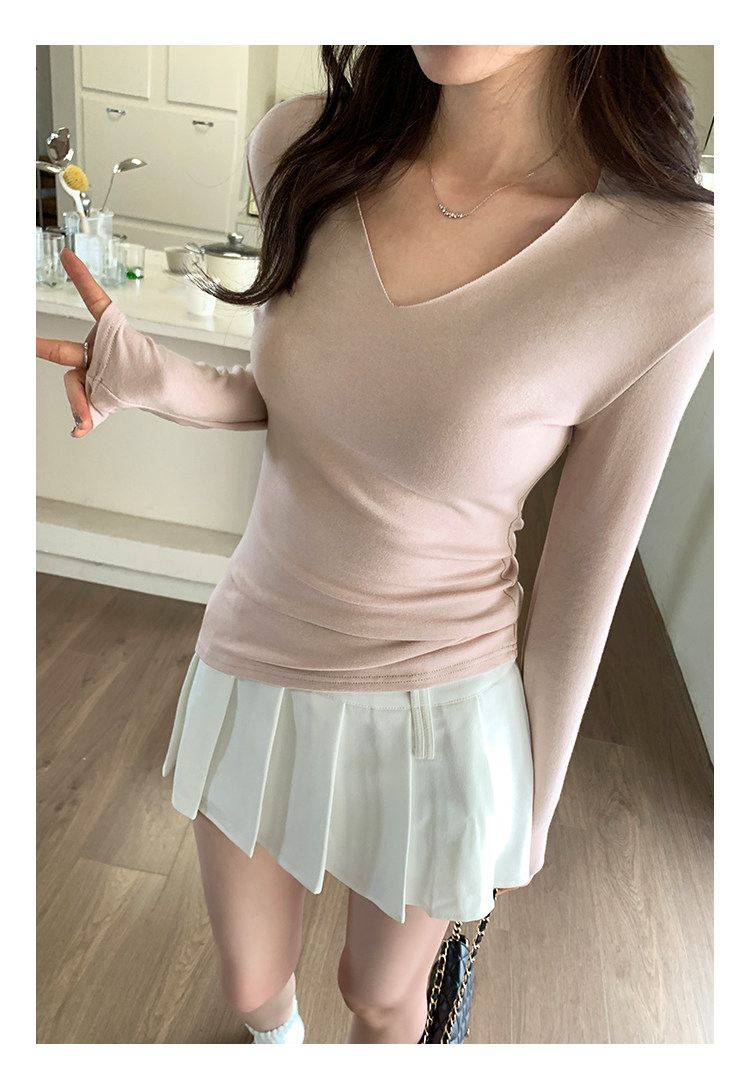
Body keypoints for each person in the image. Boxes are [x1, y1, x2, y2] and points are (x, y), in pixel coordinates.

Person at [36, 45, 714, 1045]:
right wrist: (155, 377)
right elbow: (300, 400)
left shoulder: (667, 261)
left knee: (382, 995)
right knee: (251, 982)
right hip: (255, 653)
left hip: (440, 702)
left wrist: (526, 814)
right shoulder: (301, 150)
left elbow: (587, 565)